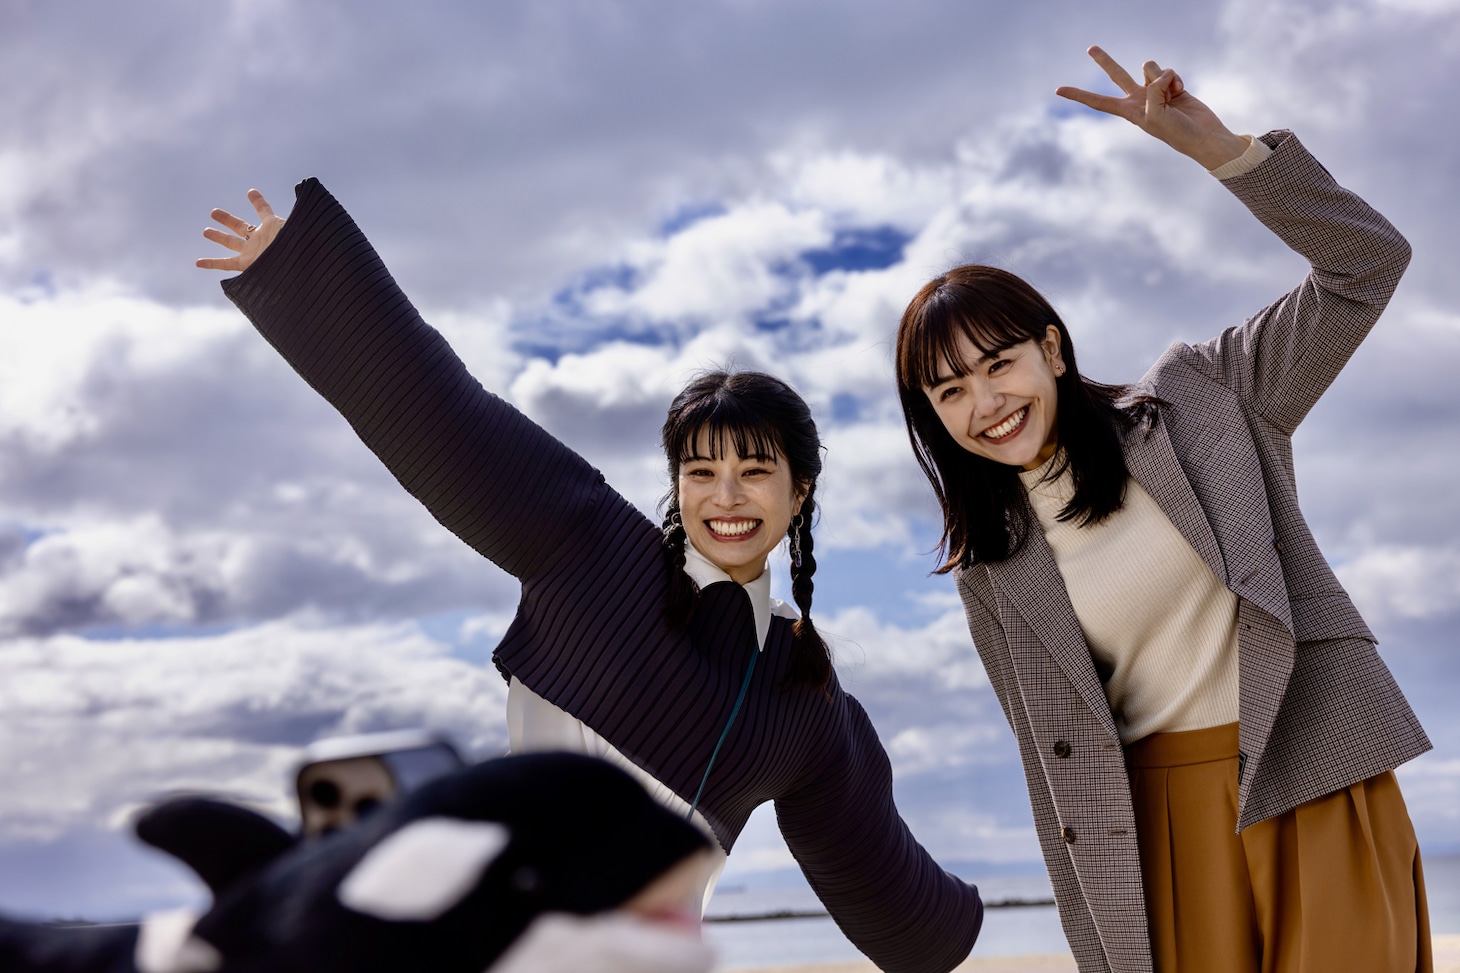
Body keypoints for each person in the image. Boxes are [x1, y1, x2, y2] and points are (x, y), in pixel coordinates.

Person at [196, 170, 982, 971]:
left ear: (798, 490)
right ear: (676, 485)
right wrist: (300, 266)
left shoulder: (806, 693)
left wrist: (1036, 887)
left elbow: (900, 908)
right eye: (701, 472)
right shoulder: (587, 546)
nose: (727, 497)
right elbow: (440, 407)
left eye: (755, 470)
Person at [894, 46, 1429, 973]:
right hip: (1161, 828)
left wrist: (1221, 151)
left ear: (1052, 349)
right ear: (933, 419)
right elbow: (1052, 773)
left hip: (1315, 767)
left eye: (998, 364)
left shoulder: (1203, 398)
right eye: (949, 391)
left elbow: (1365, 265)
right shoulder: (993, 567)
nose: (985, 402)